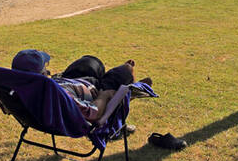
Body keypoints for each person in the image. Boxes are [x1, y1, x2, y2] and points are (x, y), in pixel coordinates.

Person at [11, 50, 145, 121]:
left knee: (89, 62)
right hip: (95, 92)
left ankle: (99, 70)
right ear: (40, 74)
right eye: (45, 68)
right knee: (124, 72)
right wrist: (103, 96)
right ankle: (125, 98)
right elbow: (94, 113)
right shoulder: (59, 95)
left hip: (69, 82)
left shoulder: (14, 89)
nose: (48, 70)